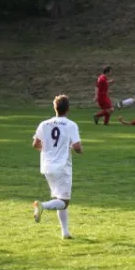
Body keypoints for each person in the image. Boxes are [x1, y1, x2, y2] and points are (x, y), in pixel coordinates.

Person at [32, 95, 83, 239]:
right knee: (64, 202)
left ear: (55, 108)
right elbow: (77, 147)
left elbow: (36, 144)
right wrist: (80, 150)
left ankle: (65, 232)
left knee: (59, 198)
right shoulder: (70, 125)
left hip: (47, 166)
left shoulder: (44, 124)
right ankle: (42, 206)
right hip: (62, 167)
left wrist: (49, 151)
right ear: (68, 109)